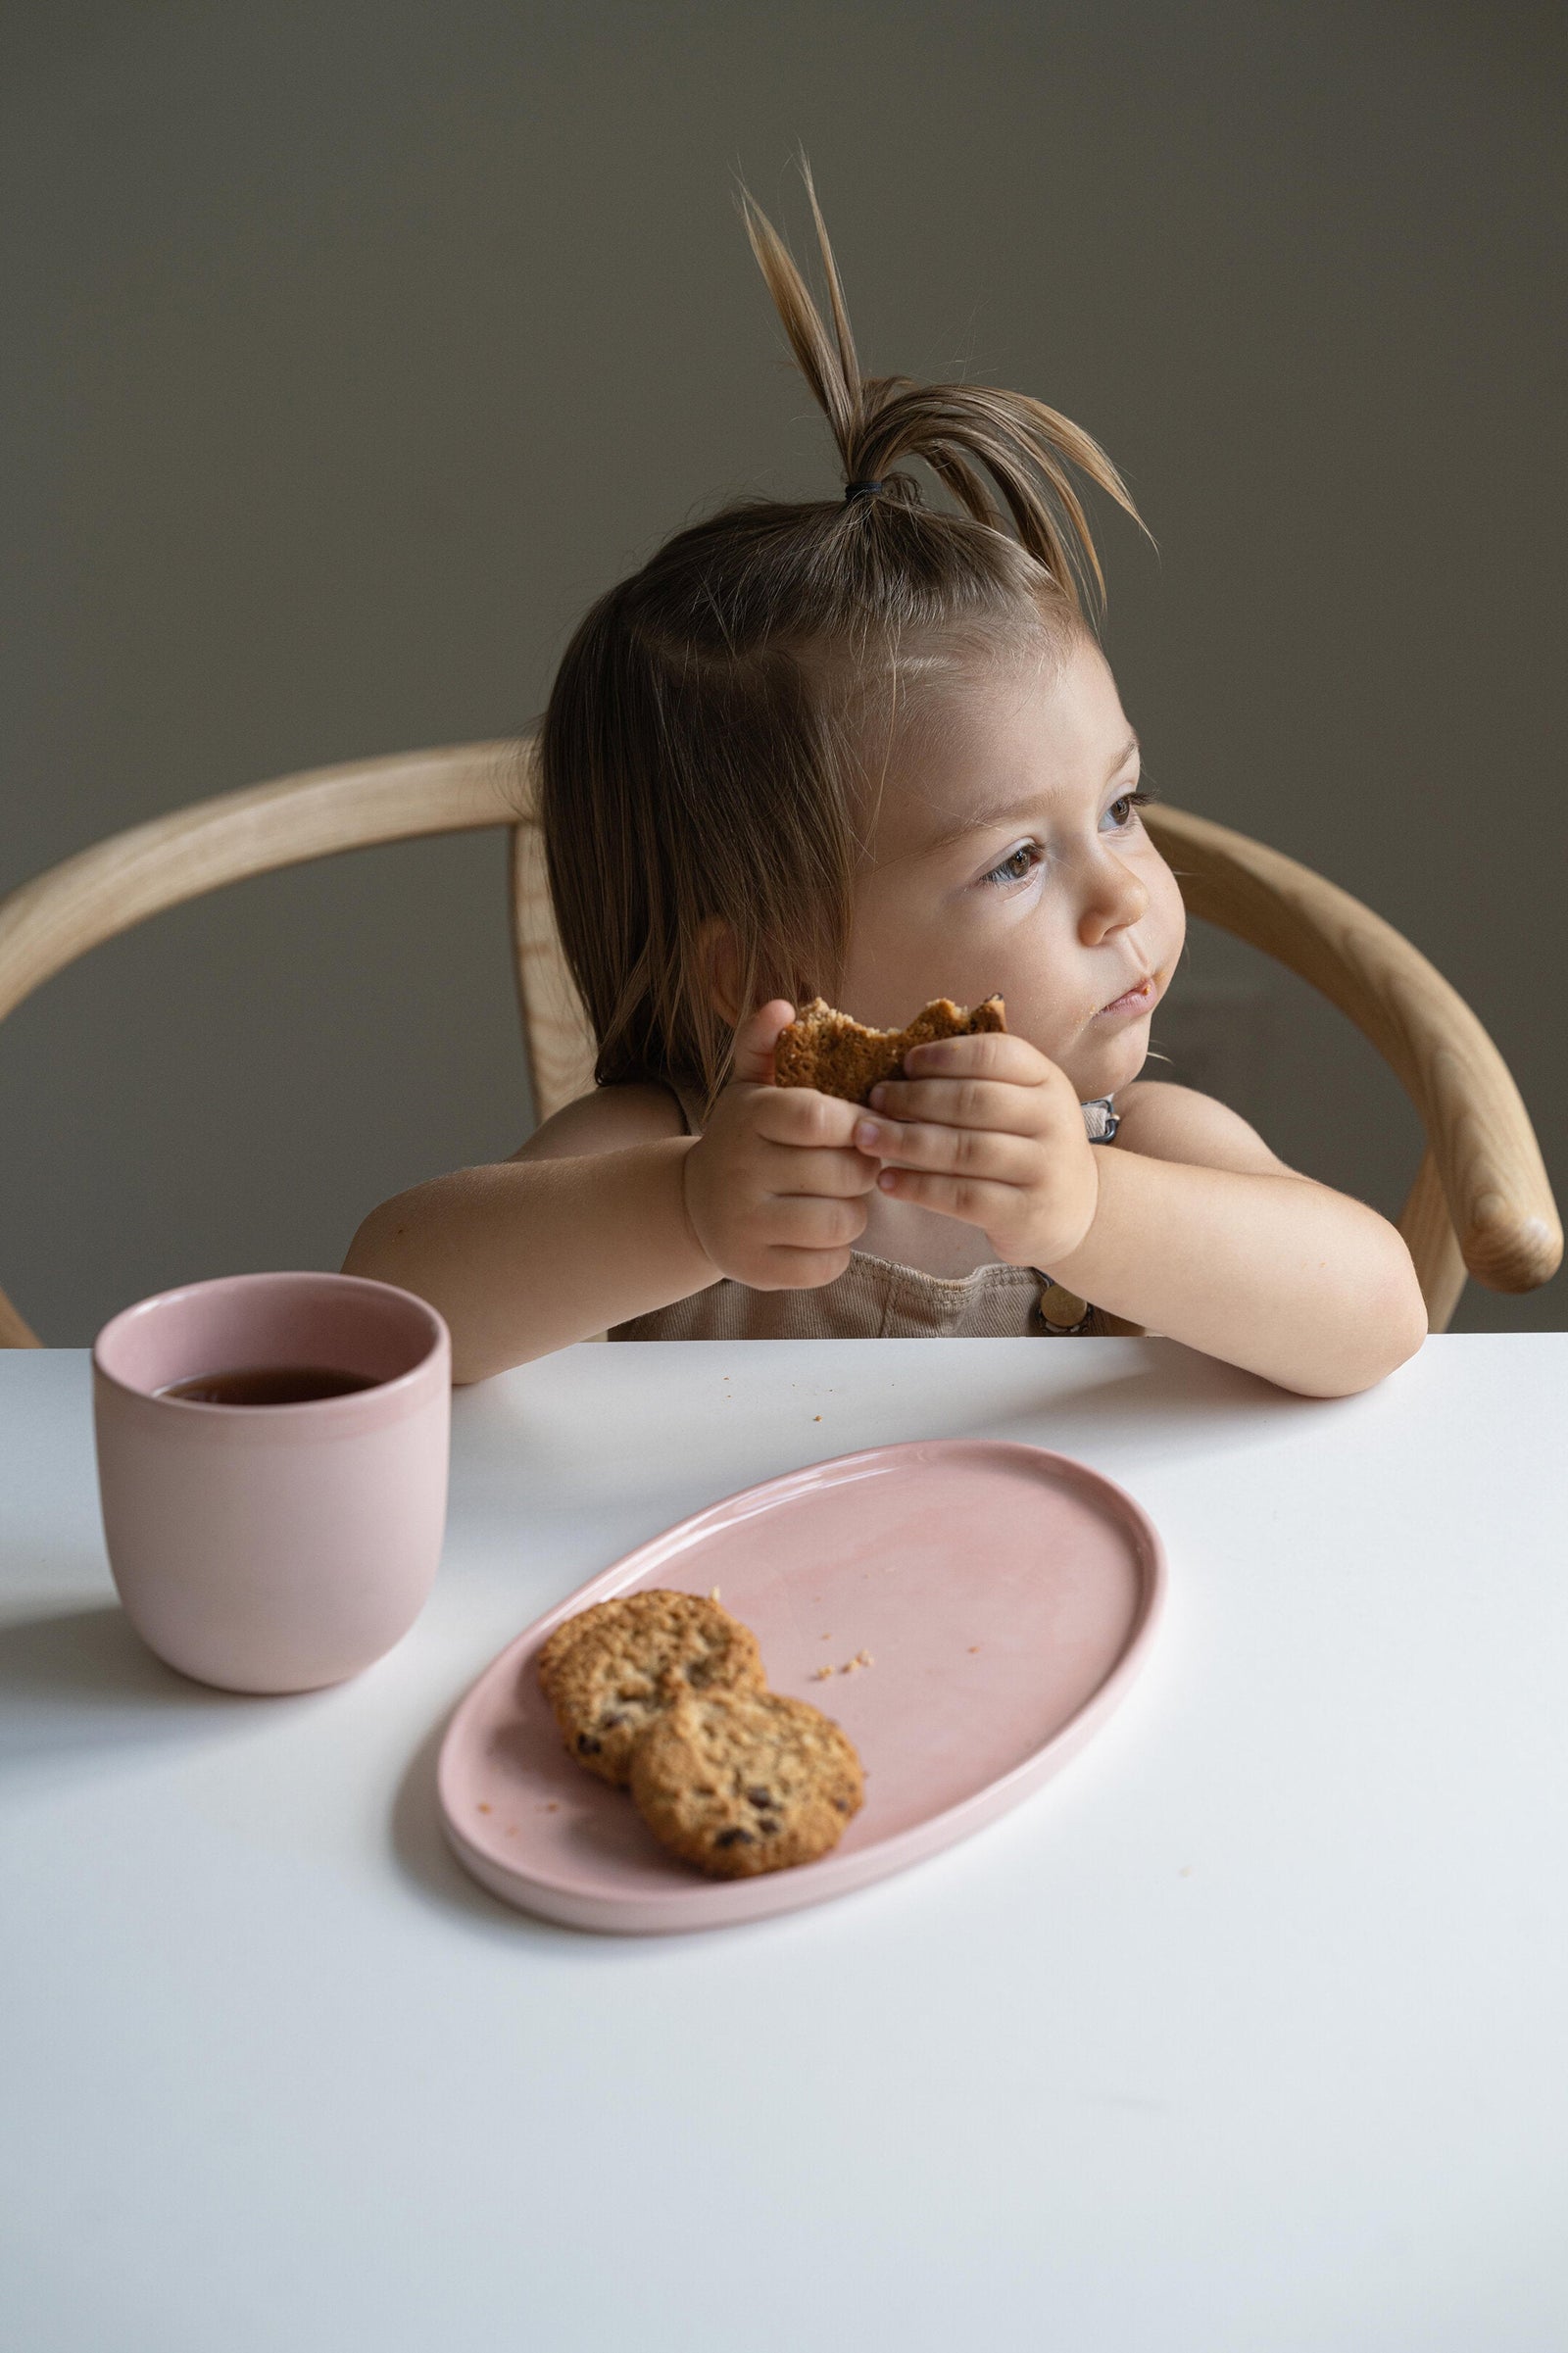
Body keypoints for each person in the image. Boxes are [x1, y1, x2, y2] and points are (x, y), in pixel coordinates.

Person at [343, 167, 1428, 1397]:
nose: (1125, 895)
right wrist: (684, 1214)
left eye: (1118, 809)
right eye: (1017, 858)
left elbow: (1378, 1315)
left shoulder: (1127, 1144)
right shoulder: (682, 1145)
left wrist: (1088, 1214)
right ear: (760, 973)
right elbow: (391, 1305)